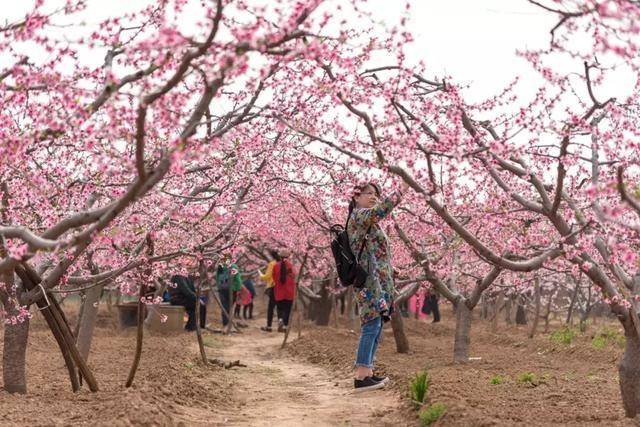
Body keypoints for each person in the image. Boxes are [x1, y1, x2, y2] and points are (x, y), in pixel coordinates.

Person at [347, 180, 407, 392]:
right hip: (370, 283)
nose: (373, 197)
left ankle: (368, 373)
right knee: (370, 325)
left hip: (377, 280)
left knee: (375, 326)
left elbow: (372, 253)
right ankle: (361, 377)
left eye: (375, 194)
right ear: (356, 197)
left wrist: (389, 268)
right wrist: (401, 191)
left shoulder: (367, 221)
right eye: (368, 193)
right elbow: (380, 211)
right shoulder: (359, 216)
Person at [272, 249, 296, 333]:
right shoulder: (290, 266)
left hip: (279, 291)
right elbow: (293, 276)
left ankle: (280, 319)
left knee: (280, 308)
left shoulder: (275, 266)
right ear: (288, 257)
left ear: (280, 256)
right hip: (289, 292)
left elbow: (274, 278)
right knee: (287, 309)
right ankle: (285, 326)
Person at [216, 254, 242, 327]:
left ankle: (225, 324)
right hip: (232, 289)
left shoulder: (220, 266)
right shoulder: (233, 266)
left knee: (224, 307)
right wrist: (238, 289)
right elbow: (237, 279)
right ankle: (228, 324)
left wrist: (219, 286)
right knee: (230, 307)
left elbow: (217, 277)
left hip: (221, 289)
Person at [259, 250, 281, 332]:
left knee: (271, 307)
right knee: (280, 307)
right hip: (282, 288)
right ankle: (281, 325)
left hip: (273, 287)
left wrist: (261, 275)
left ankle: (269, 326)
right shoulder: (283, 263)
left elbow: (267, 276)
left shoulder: (272, 264)